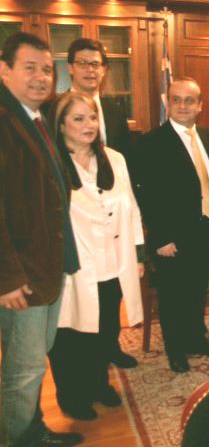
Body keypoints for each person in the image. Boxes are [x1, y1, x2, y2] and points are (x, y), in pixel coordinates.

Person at [0, 33, 83, 447]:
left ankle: (33, 431)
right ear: (5, 71)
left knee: (35, 360)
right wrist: (7, 278)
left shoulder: (34, 118)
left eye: (47, 69)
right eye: (29, 67)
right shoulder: (4, 121)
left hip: (47, 266)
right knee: (24, 369)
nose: (41, 77)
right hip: (23, 275)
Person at [46, 92, 145, 420]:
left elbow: (131, 207)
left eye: (91, 117)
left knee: (105, 331)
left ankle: (99, 384)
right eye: (78, 119)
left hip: (113, 264)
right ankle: (72, 397)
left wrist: (139, 254)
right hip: (73, 269)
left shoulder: (114, 158)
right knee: (71, 336)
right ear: (61, 125)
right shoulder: (52, 163)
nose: (88, 124)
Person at [135, 78, 209, 374]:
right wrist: (161, 237)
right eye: (177, 99)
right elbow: (147, 195)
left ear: (200, 105)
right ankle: (175, 350)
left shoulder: (204, 135)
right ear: (168, 103)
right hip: (171, 237)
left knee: (196, 291)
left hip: (203, 230)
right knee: (173, 296)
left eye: (190, 100)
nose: (183, 106)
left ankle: (196, 340)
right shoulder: (152, 141)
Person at [65, 37, 137, 368]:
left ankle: (111, 348)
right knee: (82, 303)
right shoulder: (56, 109)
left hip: (115, 218)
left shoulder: (115, 110)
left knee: (112, 294)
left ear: (104, 70)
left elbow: (126, 166)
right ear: (70, 68)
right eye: (83, 63)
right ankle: (88, 362)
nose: (90, 70)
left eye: (96, 64)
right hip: (79, 225)